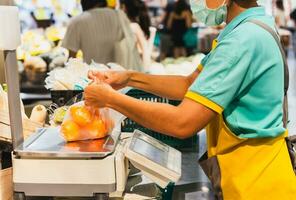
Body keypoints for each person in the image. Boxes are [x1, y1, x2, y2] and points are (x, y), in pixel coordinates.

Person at [85, 0, 296, 199]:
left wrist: (111, 100)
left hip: (255, 185)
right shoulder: (251, 27)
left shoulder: (242, 41)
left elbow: (183, 122)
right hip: (259, 171)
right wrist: (129, 78)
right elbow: (190, 85)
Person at [62, 0, 125, 64]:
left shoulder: (77, 22)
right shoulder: (119, 16)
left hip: (92, 72)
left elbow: (72, 59)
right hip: (121, 71)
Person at [120, 0, 151, 69]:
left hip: (129, 67)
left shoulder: (133, 26)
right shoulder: (133, 26)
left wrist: (145, 70)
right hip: (130, 67)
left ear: (124, 8)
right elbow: (144, 48)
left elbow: (144, 49)